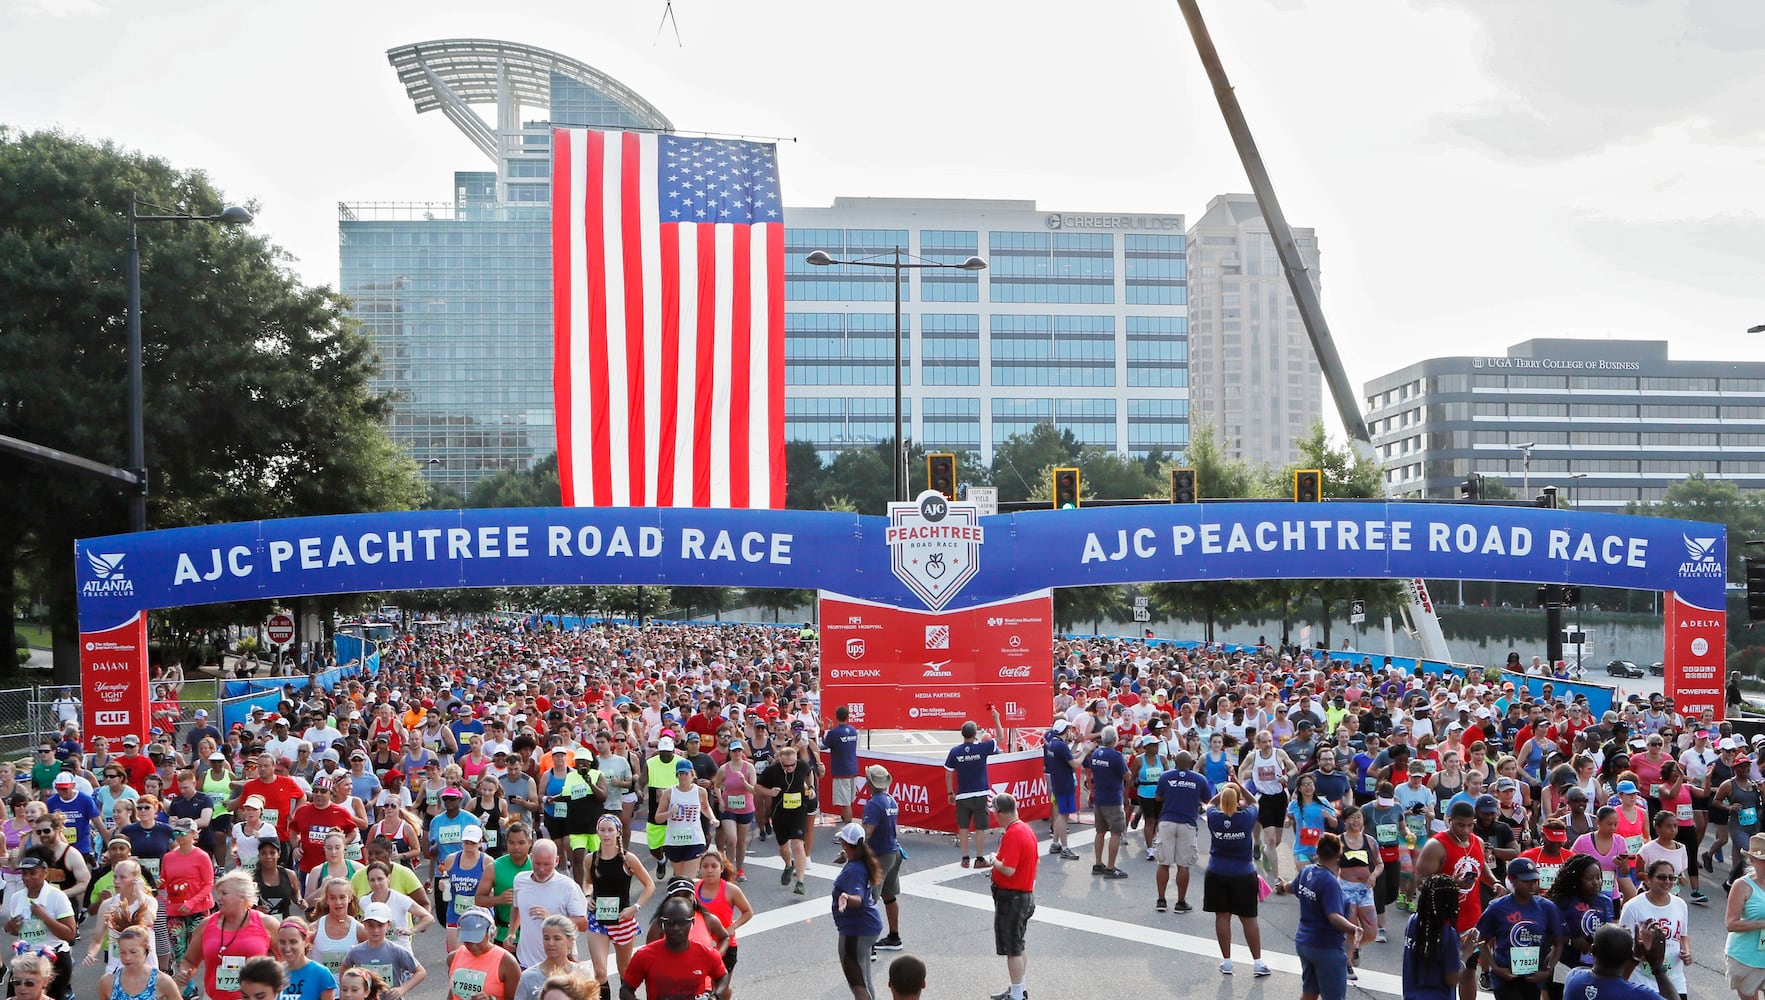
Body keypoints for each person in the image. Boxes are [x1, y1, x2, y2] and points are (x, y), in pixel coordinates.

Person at [175, 871, 280, 1000]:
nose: (218, 898)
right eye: (218, 893)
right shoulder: (206, 925)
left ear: (242, 896)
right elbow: (189, 960)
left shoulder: (267, 923)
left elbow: (286, 960)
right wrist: (185, 972)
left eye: (224, 893)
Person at [582, 815, 655, 988]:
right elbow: (588, 882)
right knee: (599, 972)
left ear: (618, 832)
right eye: (602, 830)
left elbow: (649, 885)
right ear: (597, 832)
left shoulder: (628, 859)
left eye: (610, 830)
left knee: (625, 970)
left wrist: (635, 908)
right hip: (597, 919)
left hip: (622, 919)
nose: (606, 834)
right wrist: (587, 897)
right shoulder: (590, 859)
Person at [1204, 783, 1269, 977]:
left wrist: (1224, 792)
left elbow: (1210, 804)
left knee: (1222, 916)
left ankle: (1226, 962)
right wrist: (1239, 786)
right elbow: (1254, 802)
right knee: (1248, 919)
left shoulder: (1214, 817)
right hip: (1243, 873)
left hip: (1216, 871)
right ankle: (1257, 962)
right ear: (1238, 799)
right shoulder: (1246, 818)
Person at [1476, 857, 1561, 1000]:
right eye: (1526, 881)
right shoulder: (1497, 907)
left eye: (1535, 881)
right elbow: (1481, 940)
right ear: (1512, 880)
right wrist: (1496, 968)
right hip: (1505, 977)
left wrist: (1548, 970)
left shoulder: (1547, 907)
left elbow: (1558, 943)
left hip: (1534, 978)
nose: (1532, 886)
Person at [618, 896, 728, 1000]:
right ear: (662, 923)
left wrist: (715, 996)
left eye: (682, 922)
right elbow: (626, 990)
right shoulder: (644, 956)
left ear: (692, 923)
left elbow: (723, 976)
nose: (676, 928)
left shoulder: (706, 954)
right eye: (670, 922)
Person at [982, 792, 1036, 1000]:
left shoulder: (1013, 834)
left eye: (995, 812)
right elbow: (1034, 863)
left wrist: (994, 860)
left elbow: (1009, 869)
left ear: (1000, 812)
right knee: (1018, 944)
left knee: (1012, 948)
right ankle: (1018, 988)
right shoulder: (1025, 829)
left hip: (1012, 898)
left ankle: (1017, 994)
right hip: (1022, 895)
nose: (994, 816)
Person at [1293, 832, 1358, 1000]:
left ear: (1317, 851)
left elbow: (1291, 887)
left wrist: (1280, 886)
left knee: (1310, 992)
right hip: (1326, 948)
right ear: (1338, 856)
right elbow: (1334, 916)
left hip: (1304, 943)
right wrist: (1353, 929)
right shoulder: (1330, 883)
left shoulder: (1307, 871)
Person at [510, 839, 588, 969]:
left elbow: (583, 924)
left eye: (547, 864)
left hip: (559, 966)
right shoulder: (520, 880)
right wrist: (511, 932)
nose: (541, 869)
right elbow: (517, 907)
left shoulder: (568, 887)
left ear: (556, 861)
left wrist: (552, 919)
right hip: (526, 963)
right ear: (531, 858)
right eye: (537, 863)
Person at [5, 856, 76, 1000]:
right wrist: (11, 927)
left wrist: (44, 917)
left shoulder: (57, 897)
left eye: (32, 873)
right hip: (25, 960)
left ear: (44, 873)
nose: (27, 877)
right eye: (24, 873)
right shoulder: (16, 898)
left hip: (55, 959)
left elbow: (70, 935)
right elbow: (13, 931)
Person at [1151, 749, 1211, 913]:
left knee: (1163, 862)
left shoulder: (1166, 777)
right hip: (1187, 823)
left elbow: (1158, 797)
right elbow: (1208, 800)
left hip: (1167, 822)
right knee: (1183, 865)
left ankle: (1161, 900)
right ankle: (1180, 902)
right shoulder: (1199, 779)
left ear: (1175, 763)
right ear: (1191, 764)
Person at [1618, 859, 1688, 998]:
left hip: (1674, 980)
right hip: (1641, 980)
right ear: (1648, 880)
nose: (1667, 881)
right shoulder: (1633, 907)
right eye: (1661, 877)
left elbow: (1683, 936)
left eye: (1671, 877)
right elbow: (1622, 944)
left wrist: (1686, 951)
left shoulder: (1680, 905)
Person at [1404, 874, 1481, 1000]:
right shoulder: (1448, 935)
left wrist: (1451, 883)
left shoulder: (1413, 922)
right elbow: (1452, 979)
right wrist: (1466, 952)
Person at [944, 713, 1002, 870]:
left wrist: (950, 793)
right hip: (981, 793)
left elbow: (948, 773)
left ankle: (964, 858)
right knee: (980, 828)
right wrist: (996, 719)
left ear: (962, 734)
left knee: (963, 826)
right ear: (975, 734)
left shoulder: (955, 751)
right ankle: (979, 858)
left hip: (962, 795)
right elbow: (1000, 738)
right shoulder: (982, 748)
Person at [757, 743, 816, 895]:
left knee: (797, 845)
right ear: (780, 762)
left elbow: (810, 773)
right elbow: (757, 787)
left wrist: (811, 788)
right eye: (786, 766)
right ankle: (788, 865)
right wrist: (770, 792)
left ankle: (800, 882)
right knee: (784, 848)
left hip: (798, 811)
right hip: (780, 813)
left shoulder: (802, 766)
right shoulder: (772, 771)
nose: (790, 768)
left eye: (792, 765)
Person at [1562, 924, 1679, 1000]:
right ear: (1629, 955)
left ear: (1593, 950)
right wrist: (1657, 966)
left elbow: (1609, 984)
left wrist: (1634, 959)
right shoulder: (1638, 995)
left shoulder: (1573, 977)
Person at [693, 850, 750, 996]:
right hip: (700, 946)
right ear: (700, 869)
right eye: (705, 866)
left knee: (720, 987)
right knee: (703, 987)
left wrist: (731, 928)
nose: (709, 870)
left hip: (725, 946)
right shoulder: (694, 888)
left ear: (721, 868)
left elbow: (748, 912)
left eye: (714, 866)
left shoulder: (731, 890)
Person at [860, 764, 905, 950]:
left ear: (870, 782)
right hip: (894, 852)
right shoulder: (890, 800)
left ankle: (868, 945)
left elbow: (867, 831)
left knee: (869, 898)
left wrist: (852, 850)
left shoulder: (873, 804)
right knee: (889, 896)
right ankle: (894, 936)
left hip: (879, 855)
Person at [341, 900, 425, 998]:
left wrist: (402, 989)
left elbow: (420, 972)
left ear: (388, 925)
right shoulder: (355, 951)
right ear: (364, 925)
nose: (375, 930)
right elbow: (344, 967)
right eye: (371, 925)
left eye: (380, 926)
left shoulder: (396, 951)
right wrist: (346, 991)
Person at [474, 822, 534, 951]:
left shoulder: (538, 866)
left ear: (530, 842)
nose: (516, 847)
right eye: (511, 843)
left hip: (534, 934)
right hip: (504, 935)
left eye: (521, 843)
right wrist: (499, 899)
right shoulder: (494, 867)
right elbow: (478, 900)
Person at [1083, 727, 1129, 880]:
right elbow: (1127, 776)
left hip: (1099, 797)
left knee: (1100, 831)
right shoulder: (1116, 756)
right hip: (1113, 799)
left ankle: (1098, 864)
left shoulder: (1096, 753)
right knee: (1116, 832)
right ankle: (1110, 867)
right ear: (1115, 739)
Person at [512, 914, 594, 1000]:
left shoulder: (582, 974)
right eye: (546, 938)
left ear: (570, 941)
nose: (551, 943)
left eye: (557, 938)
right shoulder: (528, 977)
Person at [446, 907, 521, 1000]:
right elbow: (453, 993)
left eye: (477, 939)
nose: (472, 945)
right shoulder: (453, 958)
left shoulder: (507, 962)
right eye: (468, 939)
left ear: (491, 932)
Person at [1727, 832, 1765, 1000]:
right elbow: (1731, 924)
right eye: (1763, 860)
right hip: (1746, 958)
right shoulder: (1742, 885)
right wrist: (1762, 923)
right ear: (1753, 860)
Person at [656, 759, 710, 879]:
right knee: (680, 879)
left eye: (686, 773)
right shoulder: (669, 793)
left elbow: (706, 808)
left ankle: (693, 894)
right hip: (674, 841)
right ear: (676, 775)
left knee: (687, 880)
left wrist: (713, 818)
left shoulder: (700, 792)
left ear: (692, 774)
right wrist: (669, 813)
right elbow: (658, 818)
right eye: (680, 774)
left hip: (695, 840)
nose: (683, 776)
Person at [96, 926, 181, 1000]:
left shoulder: (162, 981)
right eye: (122, 952)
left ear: (146, 950)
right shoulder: (108, 982)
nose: (127, 957)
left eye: (133, 952)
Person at [1040, 719, 1080, 861]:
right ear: (1066, 730)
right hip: (1064, 784)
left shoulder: (1054, 744)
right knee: (1063, 816)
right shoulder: (1060, 746)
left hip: (1057, 783)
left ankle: (1055, 843)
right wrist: (1086, 752)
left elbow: (1068, 756)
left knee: (1059, 815)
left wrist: (1076, 745)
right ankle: (1065, 847)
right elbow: (1074, 763)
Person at [275, 916, 339, 1000]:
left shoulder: (321, 974)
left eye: (293, 942)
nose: (287, 948)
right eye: (282, 942)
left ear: (306, 941)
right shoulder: (274, 973)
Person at [824, 706, 862, 825]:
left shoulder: (834, 733)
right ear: (848, 717)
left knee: (846, 803)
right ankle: (845, 819)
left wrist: (826, 731)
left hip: (841, 771)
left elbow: (823, 745)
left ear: (836, 717)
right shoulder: (853, 730)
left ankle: (848, 828)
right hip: (853, 769)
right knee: (848, 800)